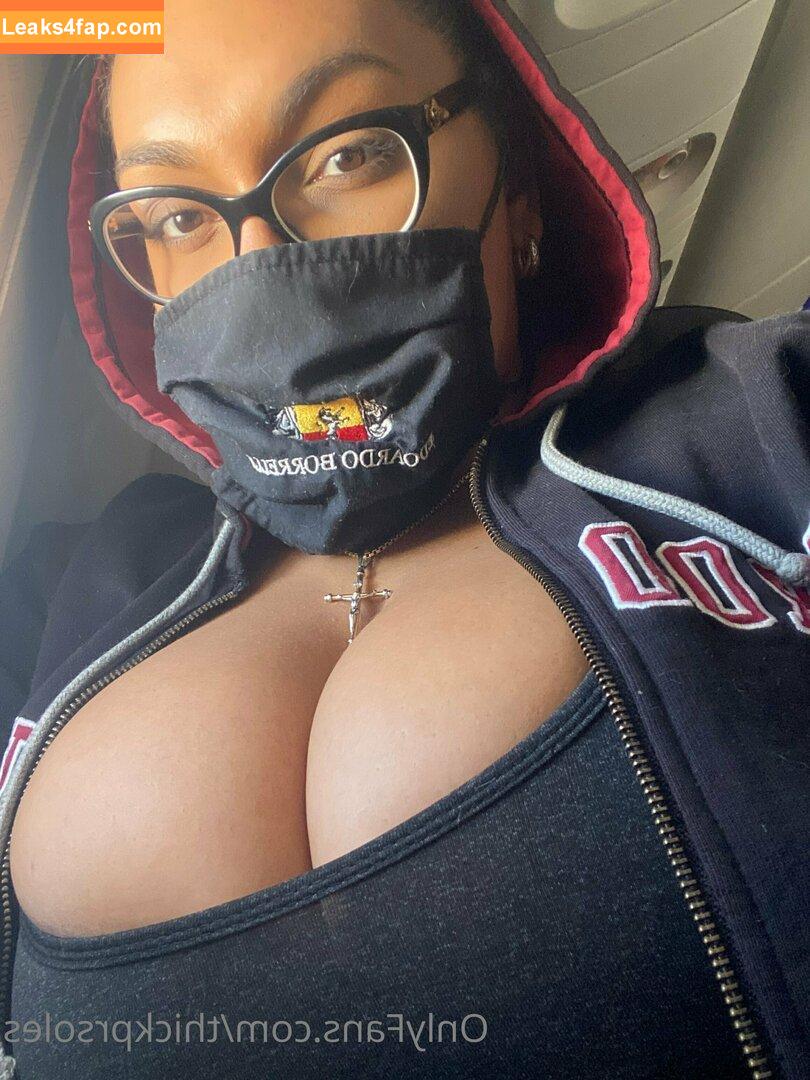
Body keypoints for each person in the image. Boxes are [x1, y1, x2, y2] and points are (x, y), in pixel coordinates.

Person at [0, 1, 807, 1076]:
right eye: (178, 216)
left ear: (518, 190)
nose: (257, 264)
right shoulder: (76, 584)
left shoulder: (761, 429)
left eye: (347, 155)